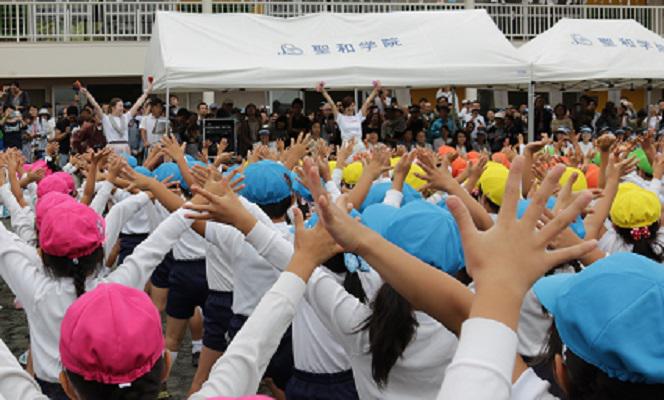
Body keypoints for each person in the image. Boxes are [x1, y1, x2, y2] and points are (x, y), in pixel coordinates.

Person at [80, 80, 153, 154]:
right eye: (120, 106)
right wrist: (87, 94)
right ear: (113, 107)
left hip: (125, 146)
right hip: (112, 147)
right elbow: (96, 106)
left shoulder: (126, 117)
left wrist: (146, 93)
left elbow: (138, 104)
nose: (122, 108)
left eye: (122, 106)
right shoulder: (106, 118)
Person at [317, 81, 381, 157]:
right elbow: (332, 104)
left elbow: (366, 103)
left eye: (352, 105)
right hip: (347, 147)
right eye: (348, 106)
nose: (351, 108)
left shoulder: (358, 116)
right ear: (344, 107)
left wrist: (375, 90)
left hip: (359, 147)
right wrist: (323, 91)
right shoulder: (340, 118)